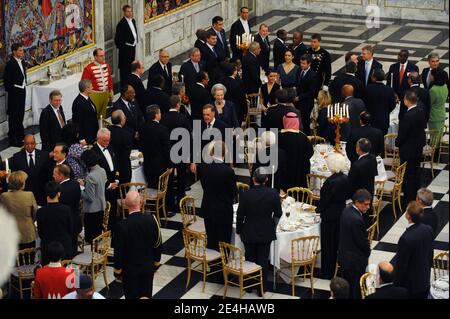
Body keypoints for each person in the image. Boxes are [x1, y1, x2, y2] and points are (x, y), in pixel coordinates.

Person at [236, 168, 282, 296]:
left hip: (248, 231)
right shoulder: (273, 193)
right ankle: (262, 289)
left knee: (250, 258)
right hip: (266, 231)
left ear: (253, 179)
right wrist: (272, 224)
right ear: (266, 180)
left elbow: (240, 216)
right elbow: (278, 213)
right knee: (263, 260)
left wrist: (239, 230)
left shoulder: (245, 194)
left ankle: (249, 286)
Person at [114, 191, 162, 299]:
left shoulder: (121, 226)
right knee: (146, 296)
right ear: (141, 202)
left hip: (129, 271)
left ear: (125, 205)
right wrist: (156, 264)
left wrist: (118, 271)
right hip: (147, 268)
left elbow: (118, 252)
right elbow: (158, 244)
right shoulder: (152, 220)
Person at [198, 141, 238, 251]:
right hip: (223, 211)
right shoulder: (228, 171)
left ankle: (212, 265)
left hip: (208, 207)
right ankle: (222, 264)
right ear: (224, 153)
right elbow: (233, 192)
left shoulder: (202, 166)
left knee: (211, 239)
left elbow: (204, 186)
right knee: (224, 241)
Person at [317, 153, 351, 279]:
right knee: (336, 243)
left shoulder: (330, 182)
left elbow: (325, 201)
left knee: (328, 244)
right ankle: (337, 268)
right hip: (341, 213)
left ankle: (327, 272)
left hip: (329, 216)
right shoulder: (345, 178)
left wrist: (318, 209)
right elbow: (347, 195)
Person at [393, 201, 434, 299]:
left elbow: (401, 265)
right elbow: (430, 254)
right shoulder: (428, 229)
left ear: (408, 216)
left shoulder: (405, 238)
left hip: (411, 285)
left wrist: (396, 285)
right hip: (424, 279)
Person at [338, 189, 372, 299]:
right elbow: (362, 242)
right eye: (365, 204)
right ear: (357, 202)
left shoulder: (346, 210)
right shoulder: (357, 219)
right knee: (356, 291)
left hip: (345, 257)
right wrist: (368, 252)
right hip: (355, 261)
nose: (368, 207)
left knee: (347, 289)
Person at [161, 96, 191, 213]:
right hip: (181, 152)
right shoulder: (182, 118)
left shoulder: (162, 118)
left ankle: (169, 204)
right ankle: (180, 201)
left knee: (168, 179)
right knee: (181, 178)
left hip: (167, 153)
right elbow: (188, 136)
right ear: (178, 104)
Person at [395, 90, 426, 203]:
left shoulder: (408, 116)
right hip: (418, 147)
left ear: (407, 101)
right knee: (415, 172)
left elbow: (403, 134)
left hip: (408, 149)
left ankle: (409, 197)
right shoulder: (421, 110)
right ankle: (415, 193)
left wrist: (397, 143)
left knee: (408, 174)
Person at [36, 181, 73, 265]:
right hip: (64, 245)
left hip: (47, 246)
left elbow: (40, 232)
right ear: (58, 194)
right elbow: (70, 228)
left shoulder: (40, 211)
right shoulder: (66, 209)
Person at [0, 171, 37, 251]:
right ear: (22, 183)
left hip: (10, 232)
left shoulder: (4, 196)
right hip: (28, 232)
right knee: (29, 261)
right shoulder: (29, 195)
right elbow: (35, 213)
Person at [139, 105, 173, 191]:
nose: (160, 114)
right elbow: (166, 148)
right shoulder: (162, 129)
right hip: (161, 167)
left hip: (147, 166)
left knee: (151, 189)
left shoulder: (142, 128)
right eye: (159, 112)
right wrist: (170, 165)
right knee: (163, 191)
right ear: (156, 115)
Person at [92, 128, 120, 230]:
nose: (107, 142)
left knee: (113, 209)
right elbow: (96, 173)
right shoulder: (93, 152)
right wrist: (108, 184)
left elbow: (116, 164)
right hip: (103, 187)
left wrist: (117, 179)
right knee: (105, 212)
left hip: (114, 184)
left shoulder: (110, 147)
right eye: (104, 140)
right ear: (98, 139)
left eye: (108, 140)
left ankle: (113, 230)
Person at [10, 134, 50, 206]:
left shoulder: (44, 155)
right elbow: (14, 175)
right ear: (24, 144)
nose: (30, 146)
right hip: (24, 194)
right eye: (27, 144)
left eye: (32, 143)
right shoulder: (16, 157)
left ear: (35, 144)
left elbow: (48, 174)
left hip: (41, 193)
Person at [278, 112, 313, 189]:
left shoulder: (278, 136)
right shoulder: (303, 138)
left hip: (282, 175)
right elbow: (310, 154)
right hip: (299, 175)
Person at [54, 164, 81, 258]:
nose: (53, 176)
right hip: (75, 219)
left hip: (65, 224)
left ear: (61, 176)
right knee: (73, 246)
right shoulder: (75, 183)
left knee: (66, 251)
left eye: (55, 174)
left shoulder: (60, 190)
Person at [79, 150, 107, 244]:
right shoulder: (102, 170)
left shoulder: (90, 176)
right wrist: (86, 184)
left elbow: (89, 197)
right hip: (101, 206)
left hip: (92, 210)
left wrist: (80, 189)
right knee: (98, 236)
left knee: (91, 239)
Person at [4, 43, 27, 147]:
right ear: (14, 51)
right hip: (14, 94)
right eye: (20, 50)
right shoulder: (10, 64)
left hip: (22, 91)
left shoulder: (22, 62)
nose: (22, 52)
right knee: (14, 116)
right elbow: (7, 82)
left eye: (22, 50)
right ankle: (13, 139)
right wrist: (15, 89)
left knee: (20, 114)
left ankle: (20, 135)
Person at [81, 48, 114, 119]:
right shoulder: (88, 68)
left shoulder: (106, 65)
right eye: (101, 56)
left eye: (104, 55)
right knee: (94, 114)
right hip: (94, 94)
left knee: (103, 114)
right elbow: (83, 84)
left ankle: (101, 128)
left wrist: (111, 90)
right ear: (95, 57)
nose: (103, 57)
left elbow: (109, 78)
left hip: (105, 93)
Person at [364, 69, 397, 135]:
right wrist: (386, 111)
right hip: (383, 121)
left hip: (370, 120)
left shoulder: (368, 88)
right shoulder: (389, 90)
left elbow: (364, 103)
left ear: (374, 77)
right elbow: (393, 105)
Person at [115, 5, 138, 85]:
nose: (130, 13)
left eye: (131, 11)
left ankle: (131, 84)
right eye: (128, 11)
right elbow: (117, 40)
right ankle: (125, 86)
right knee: (125, 69)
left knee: (131, 67)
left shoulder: (133, 21)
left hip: (132, 48)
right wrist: (125, 47)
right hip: (125, 50)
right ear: (124, 12)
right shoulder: (121, 24)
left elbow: (134, 33)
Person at [296, 54, 319, 136]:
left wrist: (299, 97)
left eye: (304, 63)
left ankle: (306, 137)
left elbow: (312, 92)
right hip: (297, 101)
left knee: (305, 123)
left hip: (306, 103)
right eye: (301, 63)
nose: (301, 65)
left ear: (309, 64)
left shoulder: (313, 75)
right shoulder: (299, 70)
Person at [109, 110, 133, 184]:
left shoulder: (107, 131)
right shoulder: (127, 135)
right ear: (122, 121)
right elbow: (126, 154)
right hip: (123, 169)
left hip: (110, 169)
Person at [72, 79, 99, 145]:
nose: (93, 88)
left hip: (93, 134)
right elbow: (78, 122)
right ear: (86, 89)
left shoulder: (87, 98)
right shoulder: (78, 103)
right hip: (86, 137)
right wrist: (81, 138)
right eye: (91, 86)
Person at [428, 69, 449, 145]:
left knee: (434, 139)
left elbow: (429, 103)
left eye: (431, 75)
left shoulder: (433, 90)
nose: (430, 76)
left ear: (435, 77)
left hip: (434, 116)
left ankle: (434, 156)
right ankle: (437, 155)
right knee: (438, 138)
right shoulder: (445, 86)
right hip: (441, 114)